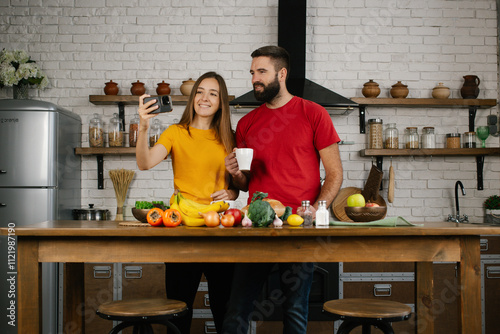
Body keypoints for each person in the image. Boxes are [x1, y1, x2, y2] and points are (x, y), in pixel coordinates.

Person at [222, 46, 343, 334]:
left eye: (261, 72)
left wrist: (315, 210)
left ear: (282, 73)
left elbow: (335, 174)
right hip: (256, 224)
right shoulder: (247, 123)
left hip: (299, 226)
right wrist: (236, 175)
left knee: (296, 310)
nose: (255, 79)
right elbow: (245, 184)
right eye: (252, 73)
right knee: (237, 308)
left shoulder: (313, 114)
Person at [135, 71, 237, 333]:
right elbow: (144, 163)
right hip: (180, 228)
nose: (205, 98)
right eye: (200, 92)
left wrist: (233, 193)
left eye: (213, 93)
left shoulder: (229, 137)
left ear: (221, 101)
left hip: (219, 229)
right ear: (193, 98)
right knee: (178, 312)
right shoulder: (176, 132)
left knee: (224, 309)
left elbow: (238, 182)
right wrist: (144, 126)